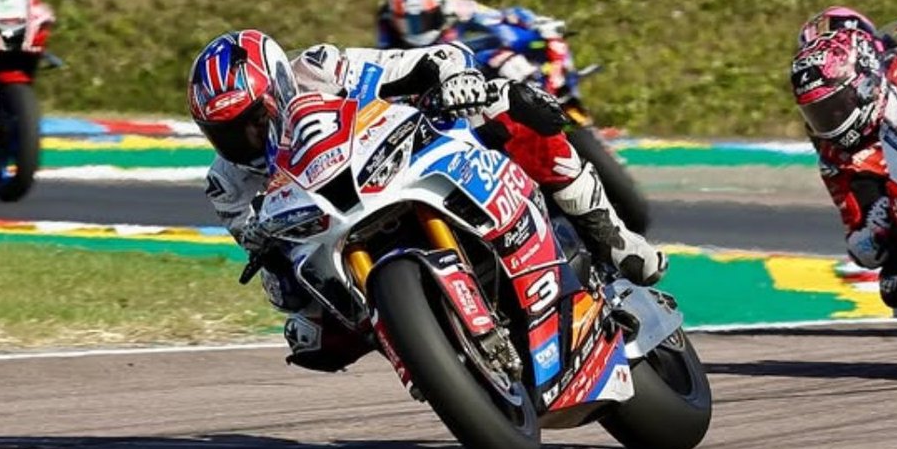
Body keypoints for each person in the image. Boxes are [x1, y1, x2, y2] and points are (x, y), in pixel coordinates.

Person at [189, 29, 667, 372]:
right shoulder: (226, 182)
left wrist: (448, 76)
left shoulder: (319, 68)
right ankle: (428, 351)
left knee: (509, 104)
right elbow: (261, 251)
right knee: (309, 335)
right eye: (225, 133)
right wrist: (266, 247)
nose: (244, 138)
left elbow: (426, 60)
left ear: (278, 86)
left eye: (252, 119)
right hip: (335, 235)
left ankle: (610, 236)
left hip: (401, 161)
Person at [791, 13, 897, 321]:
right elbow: (860, 248)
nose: (830, 120)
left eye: (837, 107)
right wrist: (878, 221)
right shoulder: (836, 155)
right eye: (821, 112)